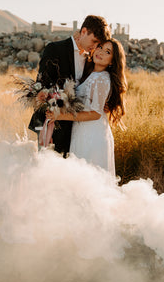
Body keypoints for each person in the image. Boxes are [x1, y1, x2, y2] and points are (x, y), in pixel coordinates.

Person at [28, 15, 111, 156]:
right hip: (51, 125)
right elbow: (42, 87)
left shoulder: (91, 60)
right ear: (84, 31)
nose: (95, 47)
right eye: (94, 41)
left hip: (77, 129)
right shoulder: (55, 49)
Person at [46, 38, 127, 175]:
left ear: (112, 61)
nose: (100, 52)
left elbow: (95, 114)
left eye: (107, 52)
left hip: (92, 135)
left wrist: (60, 116)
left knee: (88, 179)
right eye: (100, 47)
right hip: (82, 131)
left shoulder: (102, 78)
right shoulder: (91, 74)